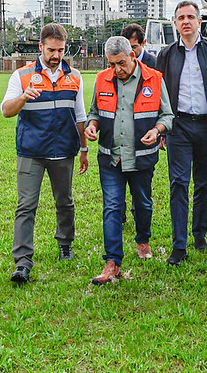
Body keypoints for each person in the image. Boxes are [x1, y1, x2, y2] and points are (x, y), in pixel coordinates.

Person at [1, 23, 89, 283]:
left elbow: (80, 116)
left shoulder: (74, 76)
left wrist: (84, 149)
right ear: (40, 47)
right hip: (31, 151)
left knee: (65, 202)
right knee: (26, 206)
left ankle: (65, 245)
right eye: (51, 49)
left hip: (64, 151)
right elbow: (6, 110)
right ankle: (23, 261)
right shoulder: (22, 75)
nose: (56, 55)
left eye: (61, 50)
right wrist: (24, 97)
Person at [84, 36, 173, 285]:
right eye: (112, 64)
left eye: (121, 63)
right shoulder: (102, 78)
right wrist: (92, 125)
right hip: (110, 157)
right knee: (112, 207)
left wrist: (157, 130)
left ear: (133, 56)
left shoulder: (154, 79)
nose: (117, 70)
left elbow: (167, 115)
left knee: (143, 204)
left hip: (141, 158)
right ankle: (112, 262)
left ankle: (143, 239)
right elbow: (94, 112)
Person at [156, 1, 207, 266]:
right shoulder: (166, 55)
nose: (186, 21)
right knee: (178, 184)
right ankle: (179, 245)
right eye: (181, 18)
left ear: (199, 22)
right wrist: (162, 128)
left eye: (191, 16)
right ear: (176, 23)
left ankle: (199, 235)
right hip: (178, 127)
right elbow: (160, 95)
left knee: (203, 184)